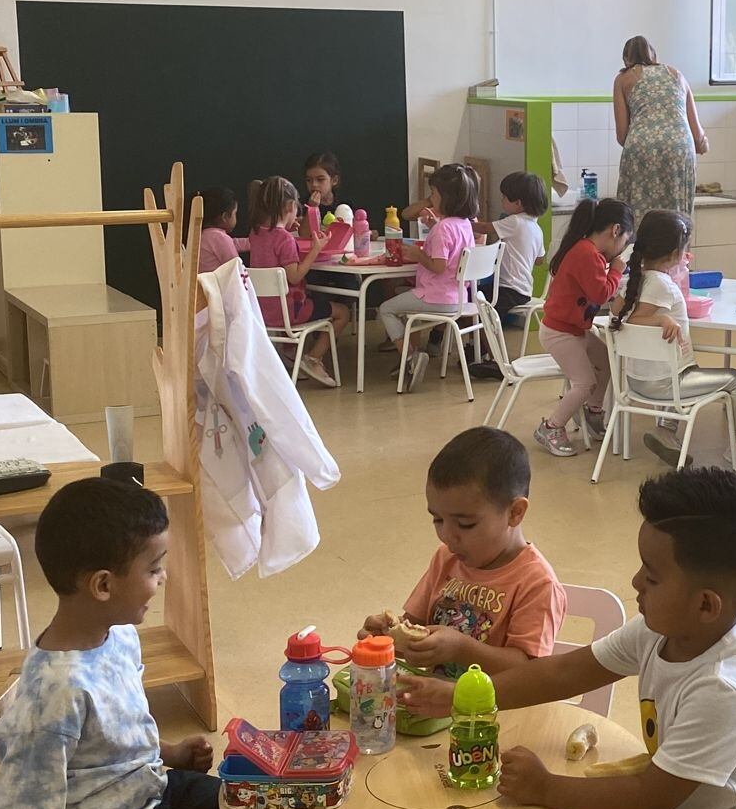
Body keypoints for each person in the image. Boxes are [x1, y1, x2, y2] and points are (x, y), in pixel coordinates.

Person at [399, 468, 736, 809]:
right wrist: (462, 698)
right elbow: (563, 672)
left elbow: (647, 797)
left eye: (652, 576)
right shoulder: (662, 628)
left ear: (706, 605)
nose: (636, 583)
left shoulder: (724, 690)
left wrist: (546, 787)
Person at [0, 478, 259, 809]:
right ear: (103, 585)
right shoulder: (56, 692)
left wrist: (170, 753)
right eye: (154, 568)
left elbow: (116, 732)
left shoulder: (117, 637)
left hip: (144, 792)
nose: (163, 578)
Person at [360, 427, 564, 679]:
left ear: (515, 512)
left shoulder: (537, 583)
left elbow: (530, 672)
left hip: (499, 712)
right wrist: (385, 640)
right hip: (439, 706)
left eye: (465, 524)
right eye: (437, 520)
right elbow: (416, 633)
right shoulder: (446, 558)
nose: (447, 535)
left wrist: (461, 649)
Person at [608, 209, 736, 468]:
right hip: (664, 384)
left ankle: (666, 431)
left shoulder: (634, 280)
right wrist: (661, 319)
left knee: (684, 368)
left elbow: (617, 312)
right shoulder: (661, 285)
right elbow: (635, 320)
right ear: (674, 254)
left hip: (636, 381)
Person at [535, 197, 633, 457]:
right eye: (625, 241)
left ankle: (593, 412)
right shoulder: (586, 253)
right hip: (560, 331)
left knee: (606, 361)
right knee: (584, 382)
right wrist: (618, 270)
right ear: (615, 230)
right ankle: (551, 427)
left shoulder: (589, 251)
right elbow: (600, 293)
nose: (622, 248)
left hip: (572, 327)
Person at [379, 163, 480, 390]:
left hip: (436, 297)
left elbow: (438, 266)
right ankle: (409, 357)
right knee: (401, 301)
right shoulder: (464, 224)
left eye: (433, 194)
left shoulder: (444, 228)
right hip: (458, 298)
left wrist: (418, 254)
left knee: (386, 308)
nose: (431, 198)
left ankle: (411, 357)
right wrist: (436, 226)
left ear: (447, 198)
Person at [247, 175, 341, 386]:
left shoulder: (256, 233)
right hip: (288, 312)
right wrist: (315, 250)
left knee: (314, 301)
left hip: (261, 310)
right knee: (342, 312)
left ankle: (293, 355)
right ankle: (313, 358)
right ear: (290, 206)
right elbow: (295, 276)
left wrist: (287, 228)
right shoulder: (285, 239)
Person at [614, 35, 707, 218]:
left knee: (638, 213)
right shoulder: (677, 75)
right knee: (677, 214)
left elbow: (622, 135)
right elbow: (697, 135)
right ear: (654, 56)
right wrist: (703, 145)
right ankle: (677, 245)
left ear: (626, 59)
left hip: (642, 147)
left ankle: (640, 244)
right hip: (680, 148)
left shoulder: (623, 79)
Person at [479, 171, 549, 321]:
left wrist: (462, 223)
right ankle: (476, 344)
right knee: (478, 298)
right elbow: (539, 260)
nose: (502, 200)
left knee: (475, 302)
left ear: (518, 203)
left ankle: (487, 345)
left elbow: (485, 228)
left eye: (504, 197)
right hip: (523, 290)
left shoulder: (515, 221)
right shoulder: (537, 228)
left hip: (508, 290)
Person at [196, 186, 240, 274]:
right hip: (217, 287)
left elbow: (234, 243)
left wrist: (254, 241)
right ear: (224, 217)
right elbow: (236, 269)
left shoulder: (202, 234)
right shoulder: (219, 238)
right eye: (235, 213)